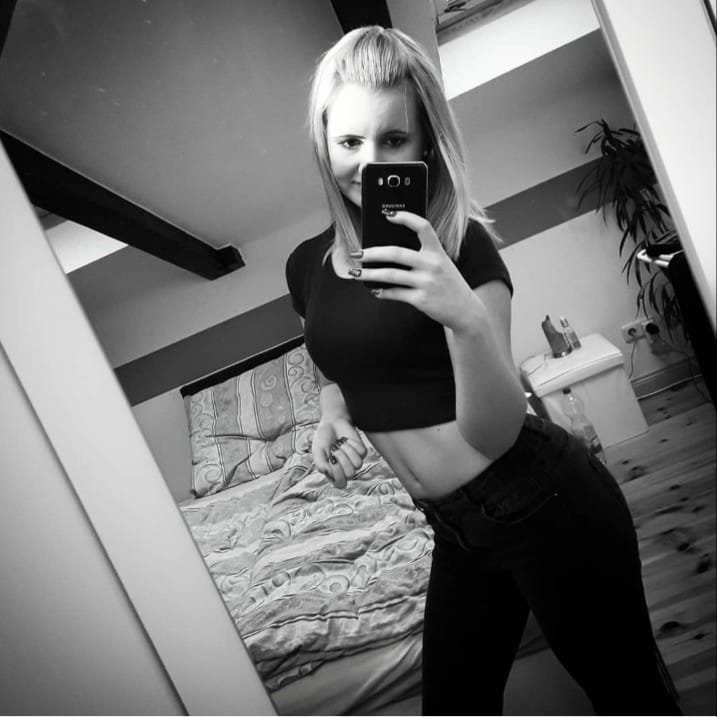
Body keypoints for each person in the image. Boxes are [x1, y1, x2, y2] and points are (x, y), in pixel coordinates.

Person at [286, 25, 680, 716]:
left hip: (544, 503)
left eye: (392, 139)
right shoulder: (305, 265)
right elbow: (333, 361)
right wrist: (331, 413)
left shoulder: (461, 245)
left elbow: (496, 431)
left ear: (424, 144)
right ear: (322, 141)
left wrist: (463, 317)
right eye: (349, 141)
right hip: (454, 528)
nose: (369, 163)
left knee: (629, 696)